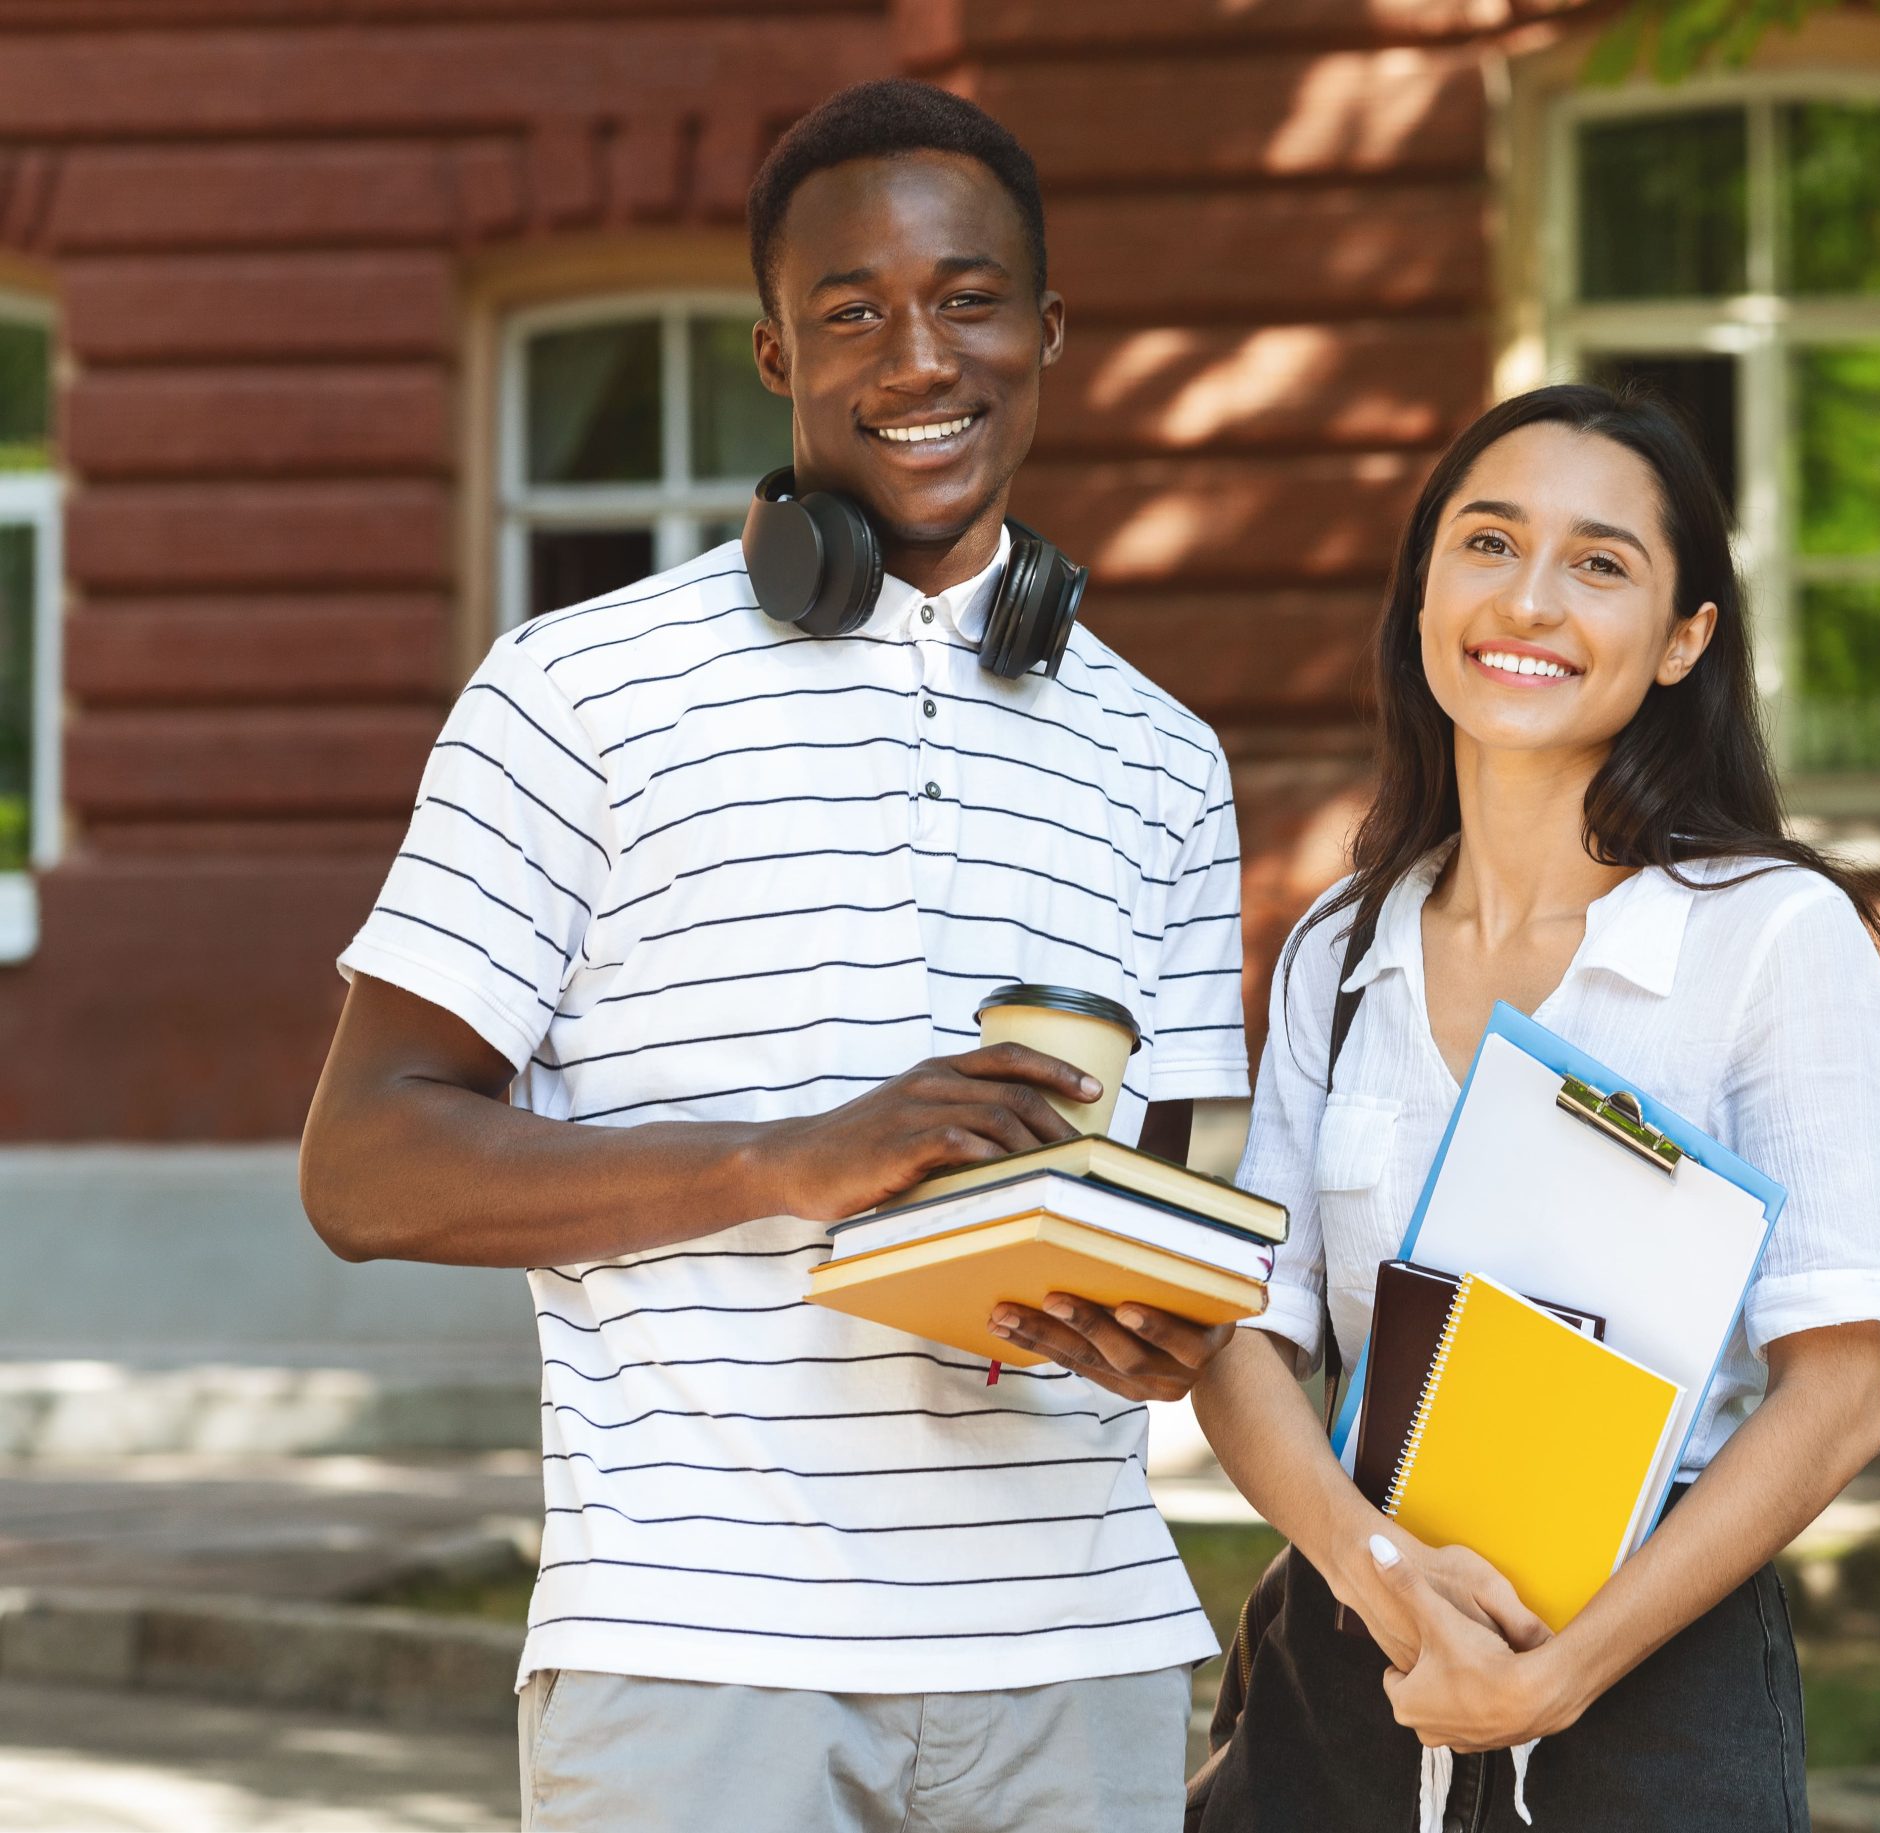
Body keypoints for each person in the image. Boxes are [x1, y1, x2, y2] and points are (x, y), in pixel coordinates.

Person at [300, 80, 1248, 1833]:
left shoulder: (1166, 756)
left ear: (1047, 331)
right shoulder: (570, 691)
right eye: (851, 312)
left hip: (1081, 1658)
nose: (919, 358)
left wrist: (1143, 1303)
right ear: (773, 355)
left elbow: (1169, 1202)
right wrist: (786, 1162)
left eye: (967, 299)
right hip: (698, 1659)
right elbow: (363, 1162)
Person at [1188, 384, 1880, 1832]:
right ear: (1421, 595)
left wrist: (1560, 1672)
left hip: (1648, 1680)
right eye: (1489, 541)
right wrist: (1378, 1568)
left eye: (1600, 564)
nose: (1529, 599)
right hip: (1343, 1666)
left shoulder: (1772, 937)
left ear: (1684, 638)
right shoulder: (1340, 944)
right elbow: (1241, 1333)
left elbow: (1838, 1400)